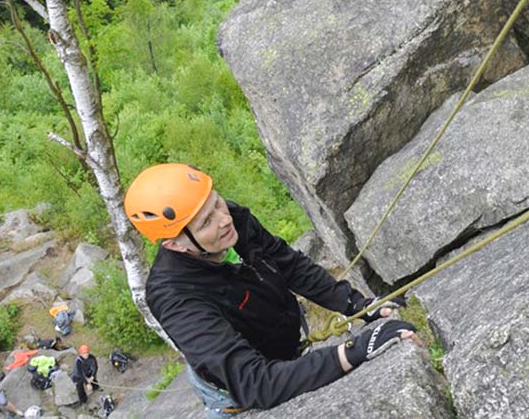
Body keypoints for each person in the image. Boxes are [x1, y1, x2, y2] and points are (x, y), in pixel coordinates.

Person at [125, 163, 422, 415]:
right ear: (174, 244)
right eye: (206, 222)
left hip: (279, 331)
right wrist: (354, 351)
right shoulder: (174, 297)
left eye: (216, 202)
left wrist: (357, 305)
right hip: (238, 390)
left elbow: (288, 265)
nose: (224, 219)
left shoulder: (232, 220)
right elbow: (255, 383)